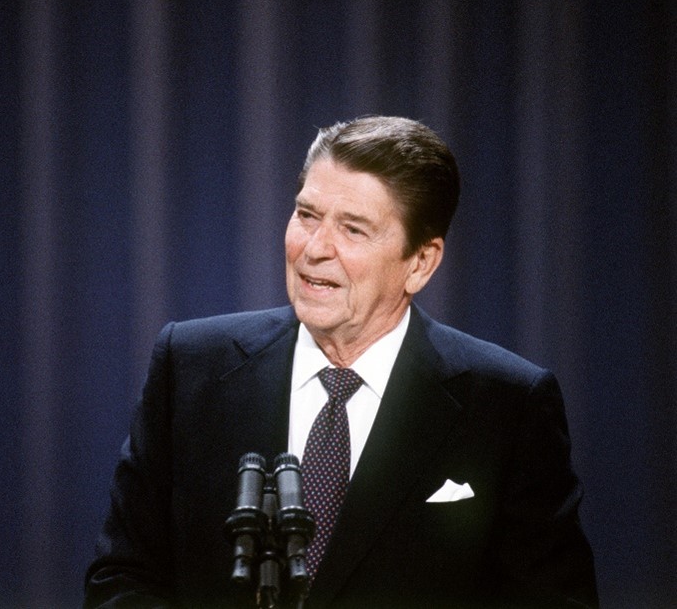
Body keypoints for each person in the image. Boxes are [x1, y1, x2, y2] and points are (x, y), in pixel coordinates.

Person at [84, 116, 597, 608]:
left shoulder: (507, 406)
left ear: (420, 262)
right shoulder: (191, 366)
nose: (314, 248)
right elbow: (121, 579)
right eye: (307, 215)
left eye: (353, 229)